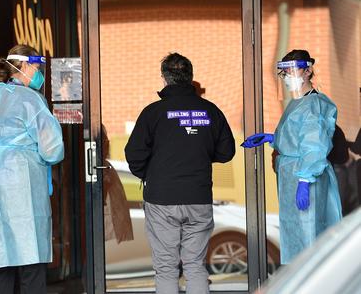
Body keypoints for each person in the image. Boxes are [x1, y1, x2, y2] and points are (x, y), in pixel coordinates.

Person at [125, 53, 235, 294]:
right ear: (190, 77)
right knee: (195, 265)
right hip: (198, 196)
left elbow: (134, 154)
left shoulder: (153, 113)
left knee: (166, 268)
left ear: (165, 78)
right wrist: (200, 154)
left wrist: (151, 175)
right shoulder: (210, 111)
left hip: (161, 198)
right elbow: (227, 152)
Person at [0, 45, 64, 294]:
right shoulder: (31, 100)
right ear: (24, 66)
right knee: (30, 259)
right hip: (23, 185)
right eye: (37, 67)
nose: (39, 72)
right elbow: (52, 149)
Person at [242, 49, 342, 264]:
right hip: (293, 173)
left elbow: (314, 144)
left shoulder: (314, 104)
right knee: (295, 231)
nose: (287, 77)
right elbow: (298, 136)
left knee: (308, 233)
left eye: (291, 71)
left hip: (305, 175)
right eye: (283, 73)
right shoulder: (299, 102)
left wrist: (305, 179)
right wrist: (273, 138)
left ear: (307, 72)